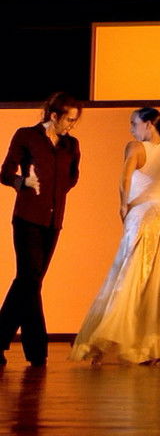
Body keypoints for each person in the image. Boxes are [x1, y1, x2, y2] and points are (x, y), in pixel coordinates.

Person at [69, 107, 160, 365]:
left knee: (130, 278)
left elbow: (124, 179)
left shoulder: (135, 148)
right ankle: (156, 347)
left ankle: (106, 343)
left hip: (141, 216)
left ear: (148, 124)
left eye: (133, 123)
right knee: (157, 281)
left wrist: (123, 206)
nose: (131, 129)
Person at [0, 92, 81, 367]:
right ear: (54, 115)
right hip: (27, 218)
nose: (71, 125)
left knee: (29, 282)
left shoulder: (71, 144)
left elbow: (72, 177)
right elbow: (5, 173)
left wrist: (54, 195)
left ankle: (6, 343)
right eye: (68, 119)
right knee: (30, 280)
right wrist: (24, 182)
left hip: (53, 221)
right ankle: (37, 350)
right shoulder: (26, 136)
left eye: (75, 120)